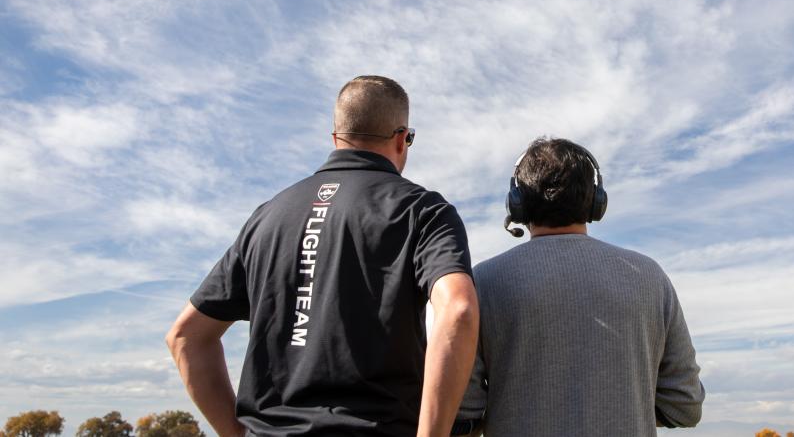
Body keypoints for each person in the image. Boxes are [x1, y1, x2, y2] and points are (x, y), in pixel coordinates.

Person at [166, 75, 479, 437]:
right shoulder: (421, 210)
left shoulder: (267, 217)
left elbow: (186, 337)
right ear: (401, 138)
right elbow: (458, 309)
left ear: (336, 138)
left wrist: (237, 433)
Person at [453, 138, 704, 436]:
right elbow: (684, 405)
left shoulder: (483, 281)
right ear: (596, 201)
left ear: (517, 203)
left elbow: (463, 414)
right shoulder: (651, 277)